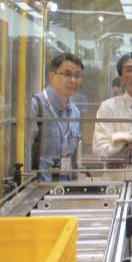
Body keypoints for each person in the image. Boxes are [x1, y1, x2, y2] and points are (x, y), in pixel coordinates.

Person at [30, 53, 84, 181]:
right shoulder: (36, 107)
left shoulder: (75, 112)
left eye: (77, 75)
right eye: (67, 74)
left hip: (65, 187)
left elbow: (73, 158)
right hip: (39, 188)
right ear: (51, 77)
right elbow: (24, 154)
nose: (73, 80)